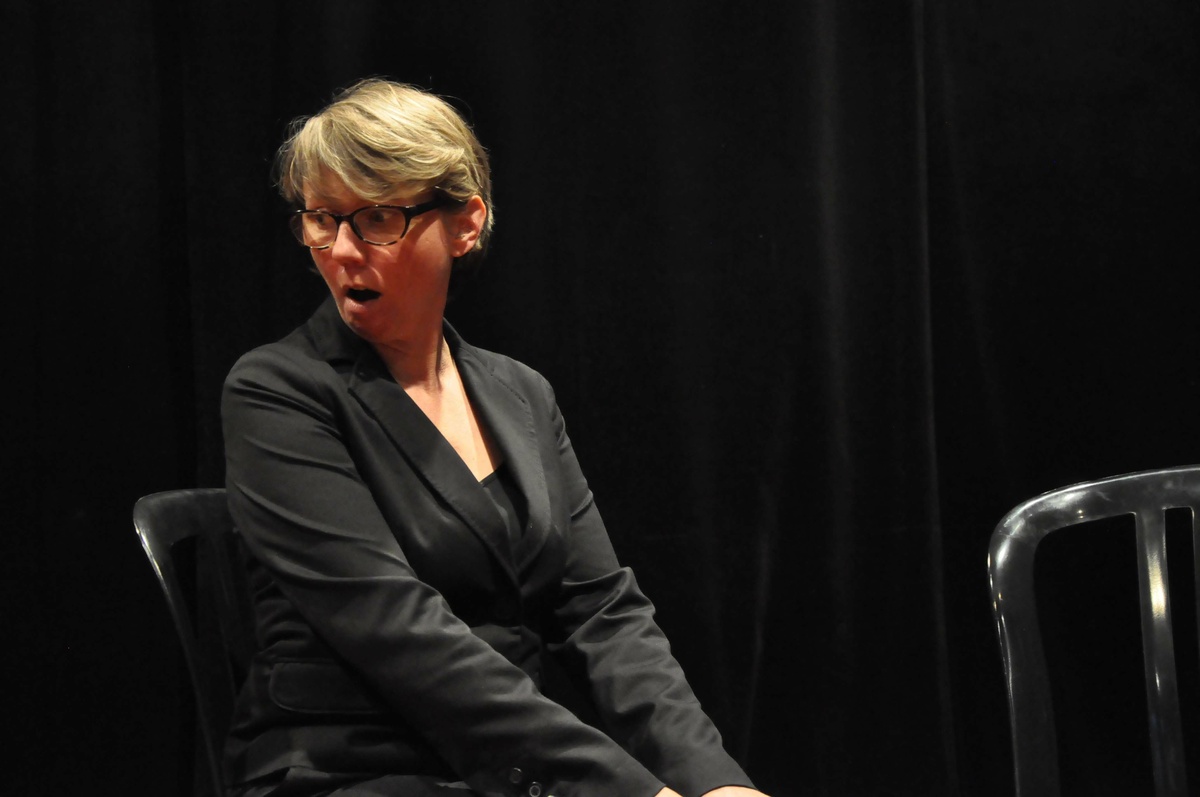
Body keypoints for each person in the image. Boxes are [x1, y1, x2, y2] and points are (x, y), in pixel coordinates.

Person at [222, 78, 768, 797]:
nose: (343, 251)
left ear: (465, 223)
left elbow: (603, 611)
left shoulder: (521, 395)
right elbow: (401, 634)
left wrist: (712, 782)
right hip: (351, 770)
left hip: (503, 772)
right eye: (322, 219)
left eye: (378, 217)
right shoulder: (276, 390)